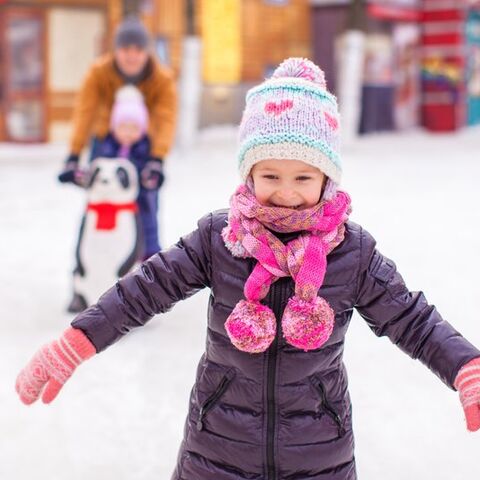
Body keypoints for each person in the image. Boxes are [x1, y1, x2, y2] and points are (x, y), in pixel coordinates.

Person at [15, 58, 480, 480]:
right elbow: (144, 290)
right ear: (249, 174)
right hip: (216, 451)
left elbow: (412, 319)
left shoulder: (350, 251)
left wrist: (465, 366)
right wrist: (77, 342)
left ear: (326, 177)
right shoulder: (219, 240)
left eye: (303, 177)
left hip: (318, 455)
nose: (286, 192)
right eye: (270, 176)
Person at [57, 15, 176, 188]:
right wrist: (74, 154)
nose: (132, 56)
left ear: (147, 52)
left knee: (145, 199)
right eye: (126, 49)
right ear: (116, 50)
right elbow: (85, 111)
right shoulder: (99, 73)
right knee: (99, 194)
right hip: (105, 139)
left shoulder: (162, 79)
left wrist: (158, 157)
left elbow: (166, 118)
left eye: (138, 50)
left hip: (143, 142)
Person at [98, 84, 163, 257]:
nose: (128, 133)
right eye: (123, 127)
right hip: (112, 202)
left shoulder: (145, 147)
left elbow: (151, 169)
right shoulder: (107, 146)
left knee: (146, 218)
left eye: (134, 128)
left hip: (138, 199)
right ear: (114, 127)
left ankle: (148, 252)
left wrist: (150, 175)